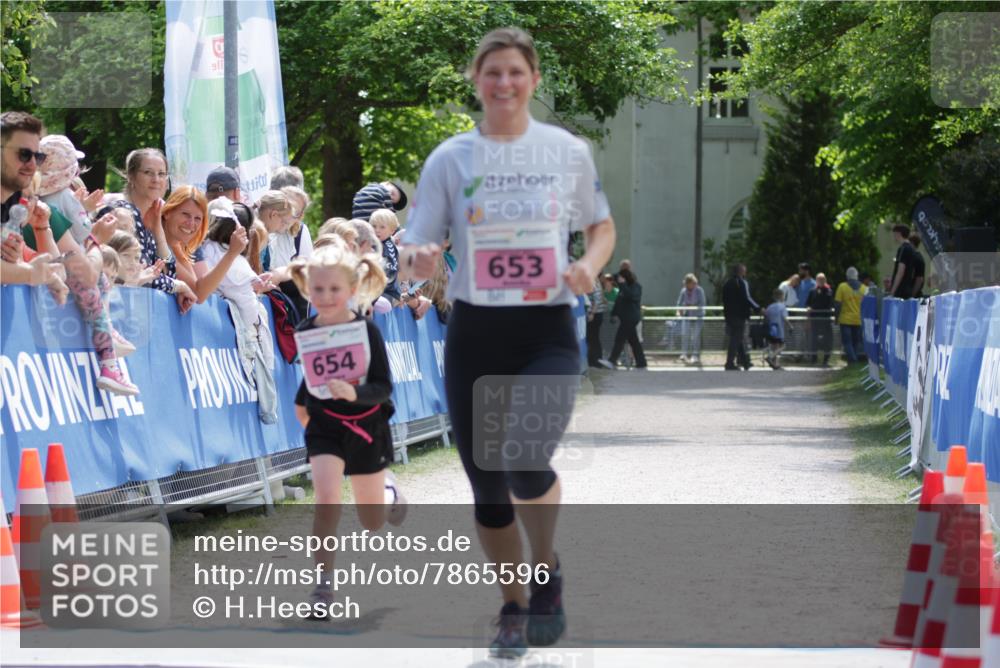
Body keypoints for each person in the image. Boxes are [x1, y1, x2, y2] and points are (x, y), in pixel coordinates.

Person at [398, 27, 616, 658]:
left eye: (516, 72)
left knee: (524, 457)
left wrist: (589, 266)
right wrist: (416, 257)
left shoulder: (565, 151)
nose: (504, 83)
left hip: (544, 330)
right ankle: (514, 608)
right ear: (476, 80)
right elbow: (418, 242)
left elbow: (601, 227)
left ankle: (544, 571)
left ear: (533, 80)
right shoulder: (450, 159)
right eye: (492, 72)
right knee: (488, 487)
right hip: (476, 333)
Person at [289, 244, 406, 615]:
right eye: (318, 289)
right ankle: (322, 590)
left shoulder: (365, 330)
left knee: (372, 522)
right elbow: (312, 381)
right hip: (325, 425)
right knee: (326, 502)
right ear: (308, 288)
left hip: (366, 424)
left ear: (352, 290)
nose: (325, 297)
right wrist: (306, 413)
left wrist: (354, 392)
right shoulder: (306, 328)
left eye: (334, 290)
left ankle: (387, 491)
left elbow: (384, 387)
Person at [1, 112, 138, 394]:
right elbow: (82, 274)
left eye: (38, 158)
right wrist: (94, 241)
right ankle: (109, 356)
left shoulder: (21, 207)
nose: (32, 166)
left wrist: (42, 234)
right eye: (23, 154)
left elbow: (57, 270)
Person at [722, 263, 761, 370]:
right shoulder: (742, 282)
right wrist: (758, 308)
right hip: (739, 315)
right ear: (741, 272)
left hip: (729, 315)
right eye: (744, 270)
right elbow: (747, 298)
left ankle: (745, 362)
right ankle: (729, 363)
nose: (746, 272)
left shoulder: (727, 283)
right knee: (736, 339)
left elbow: (725, 300)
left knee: (737, 338)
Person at [609, 267, 647, 368]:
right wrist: (613, 314)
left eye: (620, 278)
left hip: (631, 318)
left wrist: (623, 284)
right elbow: (618, 302)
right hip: (625, 318)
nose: (618, 281)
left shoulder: (636, 287)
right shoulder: (622, 289)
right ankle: (642, 363)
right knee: (634, 341)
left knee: (619, 339)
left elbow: (630, 296)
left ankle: (612, 360)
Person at [835, 266, 868, 363]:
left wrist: (836, 318)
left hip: (845, 320)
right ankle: (853, 361)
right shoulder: (864, 289)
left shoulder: (842, 287)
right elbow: (867, 306)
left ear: (847, 276)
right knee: (856, 342)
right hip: (858, 320)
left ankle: (853, 361)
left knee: (847, 343)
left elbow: (838, 304)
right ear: (857, 276)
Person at [805, 273, 835, 366]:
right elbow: (807, 303)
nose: (821, 281)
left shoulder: (828, 290)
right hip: (815, 319)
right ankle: (814, 359)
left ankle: (826, 360)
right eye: (819, 280)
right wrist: (809, 308)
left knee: (827, 340)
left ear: (825, 280)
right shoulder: (812, 291)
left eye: (822, 279)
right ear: (816, 280)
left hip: (825, 319)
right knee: (814, 339)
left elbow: (829, 303)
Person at [677, 273, 705, 364]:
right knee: (685, 335)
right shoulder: (683, 291)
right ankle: (684, 354)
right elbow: (679, 303)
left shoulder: (699, 290)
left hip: (698, 317)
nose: (690, 285)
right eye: (688, 283)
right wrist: (679, 311)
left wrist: (693, 306)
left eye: (692, 283)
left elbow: (702, 304)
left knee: (695, 337)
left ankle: (695, 355)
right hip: (687, 316)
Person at [764, 288, 792, 370]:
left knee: (775, 347)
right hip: (779, 330)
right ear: (781, 296)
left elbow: (766, 317)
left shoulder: (769, 306)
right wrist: (790, 326)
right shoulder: (782, 306)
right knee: (783, 346)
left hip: (771, 329)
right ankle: (770, 357)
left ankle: (775, 364)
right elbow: (784, 318)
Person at [889, 224, 917, 298]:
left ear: (898, 234)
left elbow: (900, 271)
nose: (894, 236)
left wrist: (892, 291)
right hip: (908, 288)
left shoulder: (903, 248)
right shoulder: (912, 249)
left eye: (894, 234)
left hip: (900, 290)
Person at [585, 277, 608, 368]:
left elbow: (597, 300)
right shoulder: (595, 281)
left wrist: (592, 313)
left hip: (595, 314)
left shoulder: (593, 282)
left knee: (593, 338)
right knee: (592, 338)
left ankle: (596, 361)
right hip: (595, 313)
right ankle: (593, 361)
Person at [909, 232, 926, 297]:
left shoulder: (917, 258)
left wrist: (912, 295)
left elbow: (919, 279)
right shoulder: (913, 256)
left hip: (914, 296)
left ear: (912, 243)